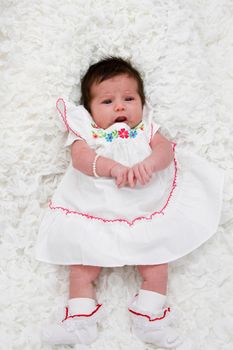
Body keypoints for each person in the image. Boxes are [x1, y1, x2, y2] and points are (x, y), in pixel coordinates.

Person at [35, 57, 224, 348]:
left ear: (142, 101)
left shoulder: (147, 127)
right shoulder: (86, 129)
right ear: (89, 109)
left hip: (144, 206)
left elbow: (165, 150)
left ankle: (149, 315)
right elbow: (80, 159)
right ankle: (80, 321)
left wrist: (151, 163)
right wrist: (110, 167)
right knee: (82, 265)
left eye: (129, 98)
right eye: (107, 101)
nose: (120, 106)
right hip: (95, 209)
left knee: (157, 260)